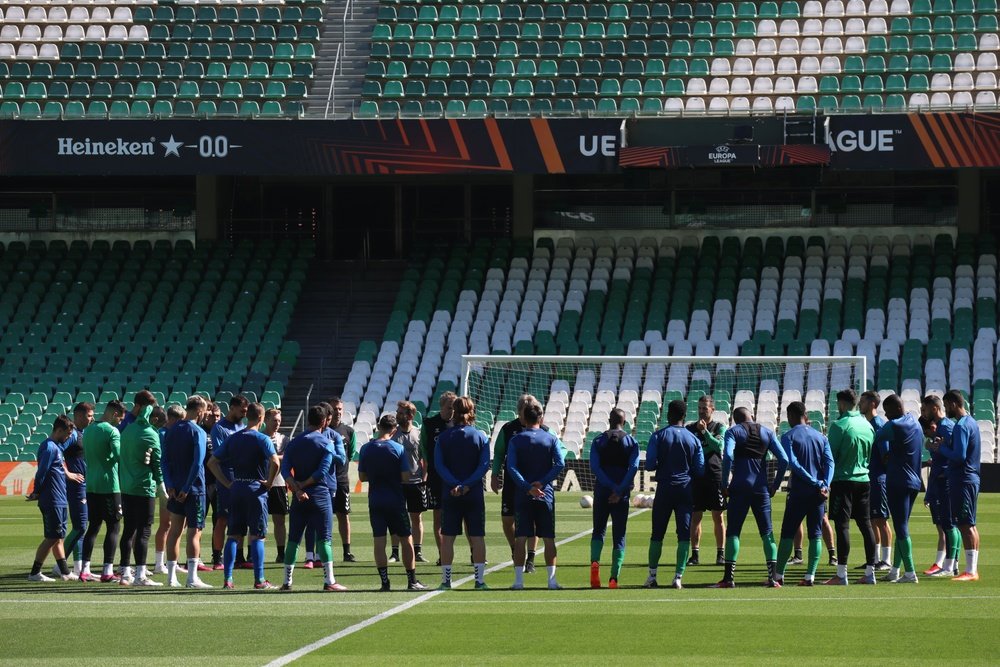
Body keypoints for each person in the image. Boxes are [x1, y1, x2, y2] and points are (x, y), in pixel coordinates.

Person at [712, 407, 788, 589]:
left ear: (735, 419)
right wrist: (775, 485)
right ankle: (773, 578)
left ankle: (729, 579)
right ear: (752, 416)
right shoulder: (767, 432)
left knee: (733, 532)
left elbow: (728, 455)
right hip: (761, 488)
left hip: (739, 487)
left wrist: (724, 483)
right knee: (767, 532)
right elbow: (784, 460)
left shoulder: (733, 432)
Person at [208, 402, 281, 590]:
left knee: (233, 535)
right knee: (257, 535)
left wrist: (227, 483)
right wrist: (269, 482)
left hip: (237, 487)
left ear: (247, 416)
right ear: (262, 418)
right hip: (255, 488)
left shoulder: (233, 438)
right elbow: (275, 462)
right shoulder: (262, 439)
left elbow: (212, 462)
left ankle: (228, 579)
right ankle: (259, 580)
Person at [280, 406, 346, 592]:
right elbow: (322, 471)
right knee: (324, 538)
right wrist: (305, 484)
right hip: (319, 494)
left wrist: (296, 487)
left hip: (299, 497)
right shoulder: (326, 443)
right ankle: (329, 581)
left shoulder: (294, 442)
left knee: (293, 539)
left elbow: (285, 469)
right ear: (324, 421)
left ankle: (287, 582)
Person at [359, 413, 428, 591]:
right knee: (406, 539)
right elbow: (406, 476)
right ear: (394, 429)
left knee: (379, 541)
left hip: (375, 500)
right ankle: (411, 581)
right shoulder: (397, 448)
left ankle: (384, 582)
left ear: (378, 427)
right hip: (395, 500)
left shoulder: (366, 448)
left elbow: (362, 476)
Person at [507, 397, 566, 591]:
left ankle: (518, 581)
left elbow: (511, 467)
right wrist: (543, 482)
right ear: (540, 418)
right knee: (548, 538)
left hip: (524, 495)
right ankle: (552, 581)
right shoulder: (550, 438)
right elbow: (560, 463)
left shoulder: (516, 439)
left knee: (521, 538)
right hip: (545, 494)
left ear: (523, 418)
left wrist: (527, 486)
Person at [644, 400, 704, 590]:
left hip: (665, 488)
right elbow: (700, 469)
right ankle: (678, 577)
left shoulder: (659, 436)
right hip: (685, 489)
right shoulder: (693, 439)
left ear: (669, 415)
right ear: (684, 416)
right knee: (684, 535)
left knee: (657, 534)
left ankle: (652, 576)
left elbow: (649, 464)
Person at [434, 397, 491, 590]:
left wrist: (455, 484)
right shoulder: (480, 436)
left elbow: (439, 466)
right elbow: (484, 465)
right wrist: (467, 485)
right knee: (477, 537)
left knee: (448, 537)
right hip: (473, 493)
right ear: (472, 412)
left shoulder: (443, 437)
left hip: (451, 493)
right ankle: (479, 580)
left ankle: (446, 581)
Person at [775, 402, 834, 586]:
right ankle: (810, 576)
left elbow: (793, 463)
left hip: (800, 491)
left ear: (791, 416)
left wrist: (813, 481)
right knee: (815, 533)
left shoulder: (788, 436)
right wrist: (825, 484)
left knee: (787, 533)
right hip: (818, 494)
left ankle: (778, 576)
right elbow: (830, 462)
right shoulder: (821, 437)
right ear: (805, 415)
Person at [825, 389, 878, 586]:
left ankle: (841, 574)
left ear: (842, 403)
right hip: (864, 479)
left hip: (843, 480)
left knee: (842, 525)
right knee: (866, 525)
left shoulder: (839, 425)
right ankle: (870, 572)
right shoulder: (867, 425)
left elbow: (830, 456)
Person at [161, 395, 212, 588]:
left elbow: (164, 460)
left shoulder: (171, 430)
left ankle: (171, 577)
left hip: (175, 488)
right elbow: (198, 462)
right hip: (194, 489)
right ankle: (192, 578)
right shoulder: (197, 431)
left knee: (174, 531)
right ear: (199, 411)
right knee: (194, 532)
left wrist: (170, 484)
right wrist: (187, 487)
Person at [933, 390, 982, 582]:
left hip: (962, 479)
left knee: (965, 524)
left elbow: (959, 456)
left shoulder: (961, 426)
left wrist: (941, 448)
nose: (946, 410)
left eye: (946, 406)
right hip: (970, 478)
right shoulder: (972, 422)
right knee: (970, 524)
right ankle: (972, 568)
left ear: (953, 404)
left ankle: (970, 571)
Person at [875, 394, 924, 584]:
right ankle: (895, 570)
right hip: (914, 481)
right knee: (900, 524)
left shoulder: (893, 425)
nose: (886, 415)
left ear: (895, 409)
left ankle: (910, 572)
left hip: (898, 481)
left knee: (901, 527)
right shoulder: (915, 421)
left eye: (887, 412)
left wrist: (886, 454)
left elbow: (876, 437)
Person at [589, 408, 640, 589]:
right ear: (624, 422)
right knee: (619, 535)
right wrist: (618, 489)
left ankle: (595, 563)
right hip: (622, 494)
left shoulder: (598, 440)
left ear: (608, 420)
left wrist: (609, 486)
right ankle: (613, 578)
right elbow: (633, 468)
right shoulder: (631, 441)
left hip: (602, 491)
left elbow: (594, 467)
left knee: (598, 530)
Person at [491, 395, 539, 573]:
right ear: (519, 412)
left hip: (534, 482)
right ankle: (515, 550)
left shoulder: (542, 428)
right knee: (507, 520)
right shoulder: (508, 429)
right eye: (523, 412)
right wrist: (495, 475)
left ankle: (531, 558)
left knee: (533, 521)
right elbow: (498, 453)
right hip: (512, 481)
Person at [80, 400, 127, 583]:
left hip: (91, 485)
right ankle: (107, 570)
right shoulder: (112, 431)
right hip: (109, 485)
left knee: (93, 527)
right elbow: (118, 456)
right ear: (114, 414)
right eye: (120, 419)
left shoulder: (88, 430)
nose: (120, 423)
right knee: (114, 526)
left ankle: (85, 569)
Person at [27, 416, 78, 582]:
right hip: (52, 498)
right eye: (68, 433)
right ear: (59, 430)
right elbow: (42, 472)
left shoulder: (57, 447)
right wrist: (36, 491)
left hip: (59, 498)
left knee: (59, 536)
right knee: (52, 536)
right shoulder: (49, 448)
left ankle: (64, 571)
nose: (69, 436)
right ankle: (35, 572)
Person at [118, 404, 165, 586]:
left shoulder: (128, 430)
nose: (158, 429)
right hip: (144, 488)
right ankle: (140, 575)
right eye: (159, 425)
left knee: (129, 530)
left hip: (127, 487)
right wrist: (161, 486)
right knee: (144, 531)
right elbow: (157, 463)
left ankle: (125, 572)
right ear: (154, 420)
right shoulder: (150, 434)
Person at [920, 395, 959, 577]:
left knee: (949, 524)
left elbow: (956, 453)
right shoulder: (941, 428)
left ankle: (950, 566)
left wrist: (947, 470)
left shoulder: (946, 427)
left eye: (925, 409)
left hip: (946, 481)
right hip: (941, 479)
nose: (924, 412)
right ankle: (952, 564)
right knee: (948, 524)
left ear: (934, 409)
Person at [686, 395, 727, 566]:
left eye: (705, 408)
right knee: (696, 516)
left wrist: (704, 432)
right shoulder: (689, 428)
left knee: (718, 516)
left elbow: (719, 446)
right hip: (696, 477)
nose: (702, 411)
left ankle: (720, 554)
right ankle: (695, 555)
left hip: (715, 475)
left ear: (712, 409)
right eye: (700, 408)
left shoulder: (720, 427)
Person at [210, 396, 249, 570]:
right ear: (232, 408)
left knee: (241, 518)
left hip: (242, 478)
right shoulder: (219, 428)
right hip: (226, 480)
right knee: (223, 519)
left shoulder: (242, 426)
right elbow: (220, 455)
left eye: (246, 412)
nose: (244, 414)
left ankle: (239, 557)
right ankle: (217, 558)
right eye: (242, 411)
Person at [420, 391, 456, 563]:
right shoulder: (429, 424)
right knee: (438, 516)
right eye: (449, 408)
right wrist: (427, 469)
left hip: (457, 477)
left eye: (455, 408)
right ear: (441, 407)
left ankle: (473, 553)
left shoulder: (459, 424)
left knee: (461, 516)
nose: (453, 411)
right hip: (436, 477)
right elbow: (424, 449)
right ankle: (443, 555)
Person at [392, 401, 429, 564]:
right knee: (396, 517)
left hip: (416, 482)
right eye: (397, 412)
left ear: (410, 415)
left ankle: (418, 551)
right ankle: (395, 553)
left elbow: (424, 458)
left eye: (400, 413)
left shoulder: (419, 434)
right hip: (398, 483)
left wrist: (425, 478)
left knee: (416, 517)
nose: (397, 415)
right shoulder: (393, 434)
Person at [860, 391, 893, 571]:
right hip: (870, 478)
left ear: (872, 403)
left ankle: (886, 560)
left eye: (863, 401)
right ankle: (875, 558)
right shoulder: (868, 423)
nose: (860, 403)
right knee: (872, 519)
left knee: (881, 519)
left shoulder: (879, 424)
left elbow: (886, 454)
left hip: (879, 479)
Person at [59, 402, 93, 575]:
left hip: (84, 484)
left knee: (82, 526)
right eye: (89, 415)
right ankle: (59, 566)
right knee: (80, 526)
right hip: (75, 486)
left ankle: (78, 567)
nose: (92, 418)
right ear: (78, 416)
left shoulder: (83, 433)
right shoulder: (72, 435)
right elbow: (57, 450)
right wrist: (68, 473)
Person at [153, 404, 186, 575]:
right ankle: (159, 563)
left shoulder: (173, 433)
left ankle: (172, 561)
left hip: (174, 481)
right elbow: (161, 461)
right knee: (166, 523)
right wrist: (165, 483)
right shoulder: (163, 434)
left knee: (176, 524)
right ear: (172, 419)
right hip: (167, 483)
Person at [329, 397, 358, 563]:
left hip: (341, 480)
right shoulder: (322, 430)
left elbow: (350, 454)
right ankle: (321, 552)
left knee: (343, 515)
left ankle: (347, 552)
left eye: (340, 409)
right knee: (324, 516)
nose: (338, 412)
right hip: (324, 481)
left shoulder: (348, 431)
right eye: (334, 409)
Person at [263, 408, 289, 564]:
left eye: (279, 420)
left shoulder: (284, 439)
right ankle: (254, 554)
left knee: (279, 520)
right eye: (274, 420)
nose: (277, 423)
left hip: (279, 483)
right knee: (258, 520)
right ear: (266, 420)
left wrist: (272, 456)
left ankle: (281, 553)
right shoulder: (259, 437)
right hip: (261, 482)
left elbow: (287, 457)